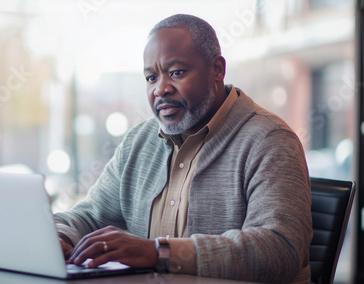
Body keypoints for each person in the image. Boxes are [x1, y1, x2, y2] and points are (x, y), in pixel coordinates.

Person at [54, 14, 312, 284]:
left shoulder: (269, 139)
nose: (160, 89)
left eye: (176, 73)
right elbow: (90, 216)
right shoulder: (138, 143)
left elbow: (279, 250)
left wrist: (158, 253)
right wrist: (58, 236)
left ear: (217, 70)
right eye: (151, 78)